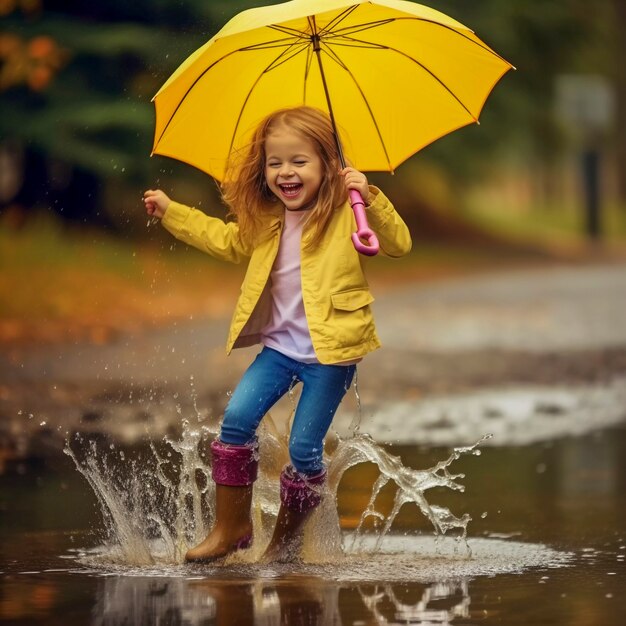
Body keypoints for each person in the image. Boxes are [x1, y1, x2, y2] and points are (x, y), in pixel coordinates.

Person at [143, 106, 412, 563]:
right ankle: (231, 528)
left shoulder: (349, 211)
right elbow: (224, 240)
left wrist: (370, 197)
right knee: (235, 423)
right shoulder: (267, 222)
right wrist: (173, 212)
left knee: (305, 450)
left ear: (328, 164)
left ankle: (283, 549)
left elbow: (399, 244)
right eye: (275, 163)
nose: (286, 172)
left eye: (299, 161)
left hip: (331, 355)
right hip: (279, 351)